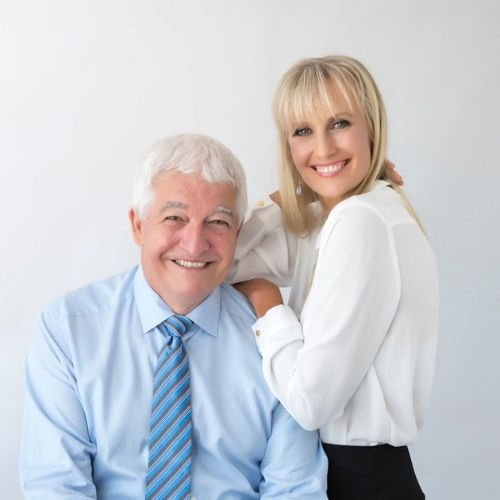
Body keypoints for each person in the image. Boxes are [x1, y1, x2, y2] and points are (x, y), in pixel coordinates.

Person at [19, 133, 328, 499]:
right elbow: (56, 487)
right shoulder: (69, 330)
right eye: (174, 217)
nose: (194, 244)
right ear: (138, 225)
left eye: (218, 222)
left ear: (238, 234)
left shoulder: (276, 341)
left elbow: (295, 490)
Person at [232, 55, 439, 499]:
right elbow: (215, 259)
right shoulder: (336, 220)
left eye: (340, 124)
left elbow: (309, 402)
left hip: (358, 480)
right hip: (362, 477)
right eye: (303, 131)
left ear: (372, 128)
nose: (323, 149)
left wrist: (266, 300)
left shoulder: (359, 221)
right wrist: (292, 191)